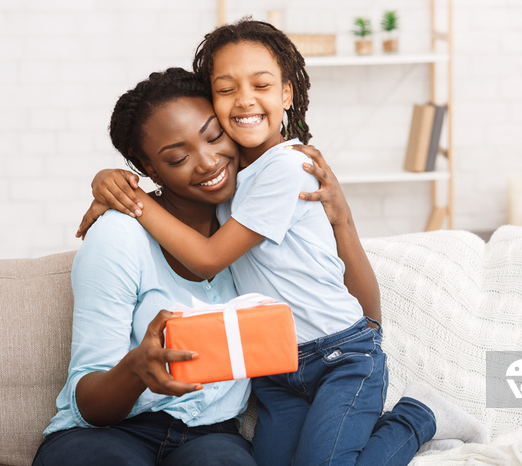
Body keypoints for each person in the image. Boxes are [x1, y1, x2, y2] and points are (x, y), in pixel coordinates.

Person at [82, 18, 489, 466]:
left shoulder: (287, 169)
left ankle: (418, 416)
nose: (245, 100)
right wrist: (111, 186)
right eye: (226, 89)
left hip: (340, 356)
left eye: (261, 84)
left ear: (287, 94)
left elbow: (208, 260)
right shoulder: (230, 188)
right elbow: (181, 194)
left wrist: (134, 198)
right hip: (275, 368)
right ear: (212, 102)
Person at [33, 67, 378, 466]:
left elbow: (364, 318)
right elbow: (89, 403)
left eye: (214, 136)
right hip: (110, 434)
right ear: (148, 169)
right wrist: (135, 370)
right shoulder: (118, 236)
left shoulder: (253, 225)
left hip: (212, 437)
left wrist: (342, 218)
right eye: (178, 157)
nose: (208, 161)